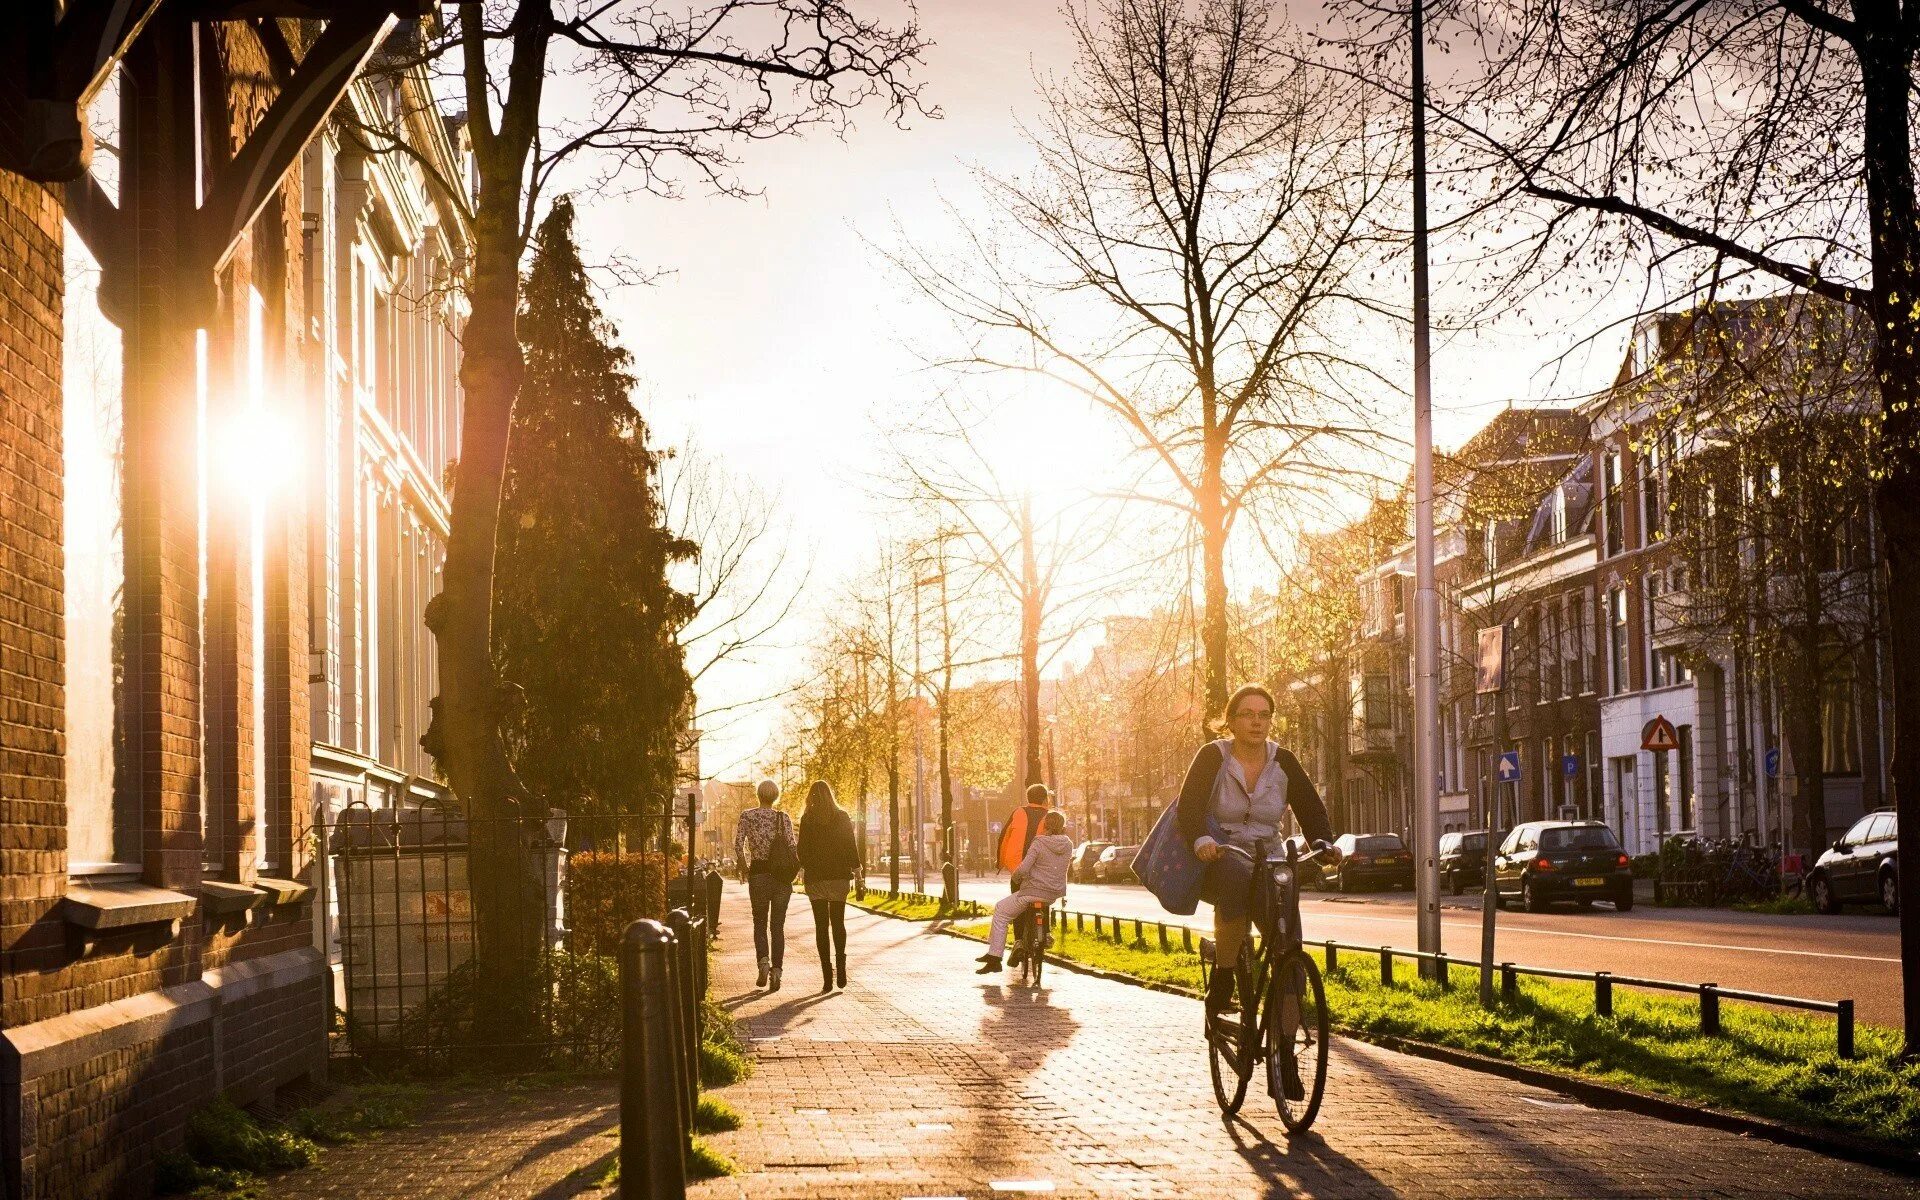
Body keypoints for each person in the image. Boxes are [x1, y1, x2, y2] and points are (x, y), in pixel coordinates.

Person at [1179, 684, 1335, 1013]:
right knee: (1234, 878)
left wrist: (1322, 842)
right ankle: (1224, 978)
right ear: (1231, 721)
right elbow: (1189, 805)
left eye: (1264, 715)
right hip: (1223, 851)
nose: (1256, 722)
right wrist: (1200, 838)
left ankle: (1289, 1021)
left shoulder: (1284, 761)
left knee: (1287, 924)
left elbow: (1310, 808)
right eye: (1248, 714)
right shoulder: (1213, 756)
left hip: (1270, 855)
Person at [976, 810, 1073, 974]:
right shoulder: (1068, 844)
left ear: (1045, 825)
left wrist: (1016, 877)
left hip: (1032, 891)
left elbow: (1025, 867)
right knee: (1038, 908)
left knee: (1001, 911)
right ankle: (1044, 936)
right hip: (1053, 893)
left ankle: (994, 958)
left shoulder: (1039, 843)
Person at [734, 779, 798, 992]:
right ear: (775, 796)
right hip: (781, 878)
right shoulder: (783, 818)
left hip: (759, 874)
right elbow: (792, 847)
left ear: (758, 795)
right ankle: (777, 971)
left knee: (760, 922)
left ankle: (763, 963)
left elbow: (738, 844)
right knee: (777, 926)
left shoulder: (747, 816)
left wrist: (744, 867)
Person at [797, 780, 861, 992]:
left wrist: (806, 866)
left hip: (816, 879)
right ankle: (841, 966)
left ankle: (827, 975)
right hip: (838, 878)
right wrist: (857, 871)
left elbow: (802, 851)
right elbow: (850, 845)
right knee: (838, 923)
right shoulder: (842, 817)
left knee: (821, 927)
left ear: (811, 797)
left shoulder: (807, 820)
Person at [996, 783, 1053, 953]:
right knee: (1043, 897)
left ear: (1028, 799)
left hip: (1017, 868)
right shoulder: (1050, 816)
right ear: (1044, 799)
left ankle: (1019, 941)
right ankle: (1046, 932)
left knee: (1018, 902)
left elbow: (1003, 838)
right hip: (1040, 870)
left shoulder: (1018, 813)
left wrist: (1000, 863)